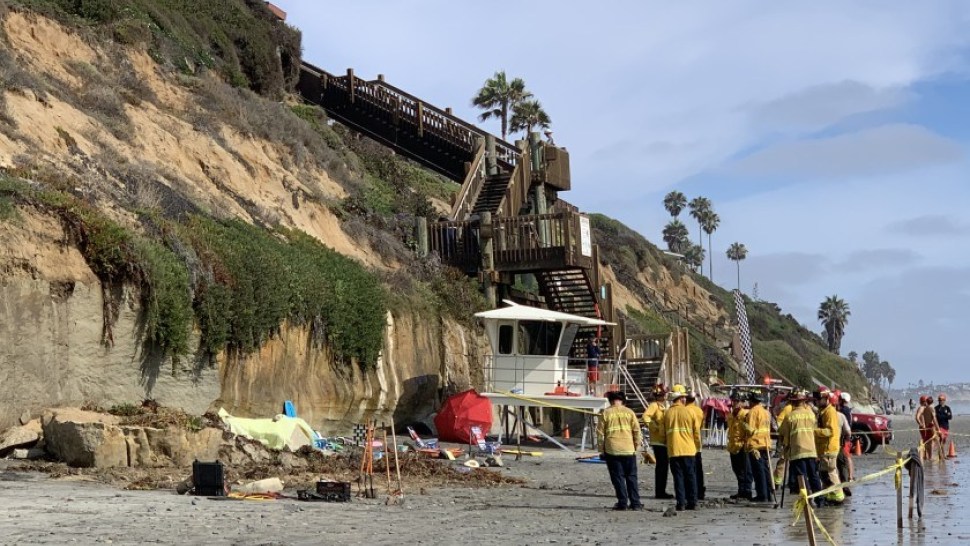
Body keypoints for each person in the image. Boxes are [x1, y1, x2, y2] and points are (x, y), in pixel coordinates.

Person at [777, 389, 824, 507]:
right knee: (814, 476)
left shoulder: (790, 416)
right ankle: (820, 500)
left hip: (798, 452)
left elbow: (782, 431)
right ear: (804, 402)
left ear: (793, 402)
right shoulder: (811, 414)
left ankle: (807, 500)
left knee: (802, 478)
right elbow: (815, 428)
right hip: (812, 451)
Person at [597, 391, 642, 511]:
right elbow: (637, 431)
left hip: (613, 450)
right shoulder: (630, 412)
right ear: (623, 400)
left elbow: (600, 434)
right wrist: (636, 446)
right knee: (631, 477)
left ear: (610, 401)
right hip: (629, 449)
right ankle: (636, 503)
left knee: (618, 477)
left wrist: (601, 450)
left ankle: (622, 503)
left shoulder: (606, 413)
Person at [664, 387, 699, 510]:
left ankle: (681, 503)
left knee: (678, 477)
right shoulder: (690, 412)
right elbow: (696, 433)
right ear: (682, 399)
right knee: (690, 476)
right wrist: (697, 446)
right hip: (689, 449)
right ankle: (692, 502)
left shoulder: (667, 413)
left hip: (674, 450)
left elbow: (664, 433)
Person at [814, 387, 845, 505]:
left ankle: (838, 497)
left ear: (826, 398)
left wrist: (814, 431)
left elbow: (830, 431)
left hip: (829, 449)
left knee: (830, 473)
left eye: (818, 399)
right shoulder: (823, 411)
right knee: (823, 474)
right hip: (823, 449)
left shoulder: (830, 412)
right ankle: (829, 496)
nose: (816, 401)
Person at [642, 384, 673, 499]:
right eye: (663, 394)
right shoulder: (654, 406)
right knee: (662, 466)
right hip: (658, 441)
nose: (665, 396)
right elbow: (646, 417)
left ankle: (661, 490)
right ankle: (660, 492)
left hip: (664, 440)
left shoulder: (663, 407)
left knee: (664, 466)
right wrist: (655, 427)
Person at [743, 390, 773, 503]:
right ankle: (768, 494)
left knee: (758, 472)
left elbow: (750, 430)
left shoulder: (752, 412)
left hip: (756, 445)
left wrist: (743, 424)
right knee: (765, 471)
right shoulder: (765, 412)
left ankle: (762, 495)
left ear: (751, 400)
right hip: (765, 444)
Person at [726, 390, 752, 500]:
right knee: (737, 470)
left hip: (743, 446)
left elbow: (750, 431)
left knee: (745, 470)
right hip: (733, 447)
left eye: (736, 401)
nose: (734, 403)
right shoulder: (731, 415)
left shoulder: (745, 414)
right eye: (733, 400)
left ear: (741, 402)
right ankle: (741, 491)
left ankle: (747, 491)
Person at [685, 390, 706, 500]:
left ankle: (690, 492)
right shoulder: (699, 411)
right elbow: (701, 426)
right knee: (699, 469)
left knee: (689, 470)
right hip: (697, 444)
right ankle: (700, 492)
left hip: (687, 444)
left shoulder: (685, 410)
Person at [773, 395, 793, 490]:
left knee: (784, 461)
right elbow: (779, 421)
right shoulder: (788, 408)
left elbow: (779, 421)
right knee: (783, 461)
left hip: (793, 440)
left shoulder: (789, 408)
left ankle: (792, 483)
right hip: (789, 440)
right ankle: (778, 483)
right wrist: (783, 432)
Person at [836, 392, 854, 496]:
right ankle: (849, 478)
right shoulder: (847, 410)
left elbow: (844, 427)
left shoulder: (843, 411)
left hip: (844, 439)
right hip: (846, 438)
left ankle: (849, 478)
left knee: (845, 458)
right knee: (847, 458)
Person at [936, 394, 953, 458]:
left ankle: (941, 454)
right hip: (939, 427)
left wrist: (943, 416)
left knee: (944, 441)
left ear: (944, 400)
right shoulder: (936, 408)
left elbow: (950, 417)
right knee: (941, 440)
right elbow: (938, 417)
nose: (940, 401)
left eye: (942, 400)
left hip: (946, 426)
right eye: (939, 400)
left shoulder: (947, 408)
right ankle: (942, 455)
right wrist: (945, 416)